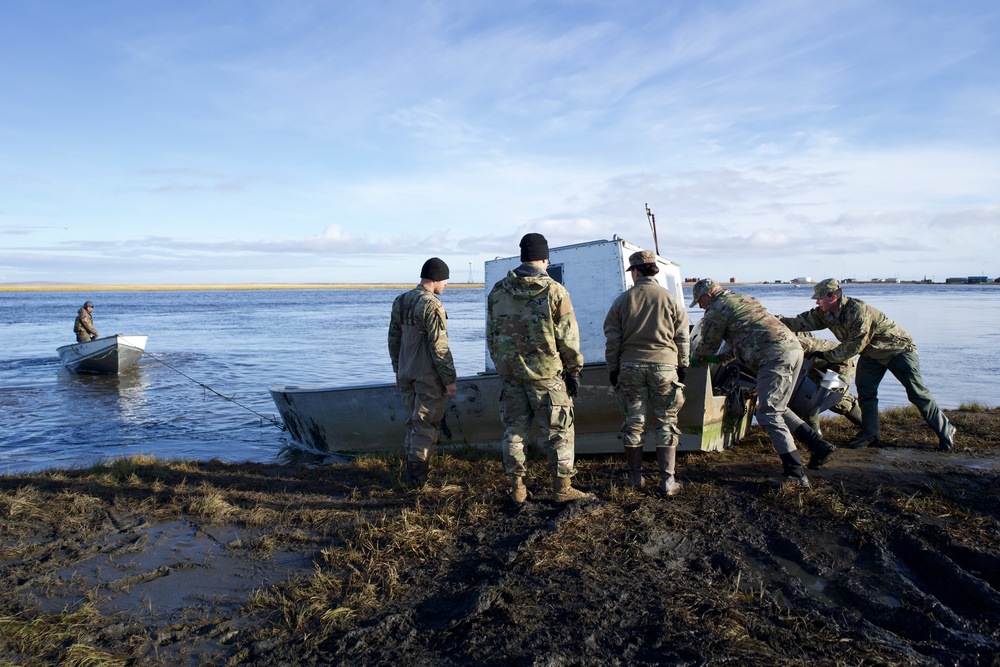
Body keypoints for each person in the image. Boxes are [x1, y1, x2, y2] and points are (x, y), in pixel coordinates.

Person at [689, 279, 835, 487]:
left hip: (773, 357)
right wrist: (721, 360)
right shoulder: (743, 299)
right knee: (778, 407)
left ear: (709, 295)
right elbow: (748, 337)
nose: (701, 306)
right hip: (793, 350)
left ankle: (795, 474)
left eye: (700, 301)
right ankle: (818, 445)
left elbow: (708, 344)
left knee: (767, 413)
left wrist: (697, 357)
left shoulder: (716, 308)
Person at [780, 279, 956, 451]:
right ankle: (871, 435)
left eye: (819, 298)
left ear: (832, 297)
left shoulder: (857, 311)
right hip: (871, 354)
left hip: (897, 350)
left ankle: (945, 429)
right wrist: (771, 320)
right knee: (866, 392)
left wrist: (825, 355)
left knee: (917, 393)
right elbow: (799, 322)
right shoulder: (824, 313)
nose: (817, 302)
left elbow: (854, 346)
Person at [486, 233, 591, 504]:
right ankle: (562, 489)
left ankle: (518, 490)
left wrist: (503, 366)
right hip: (547, 376)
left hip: (511, 375)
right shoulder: (554, 290)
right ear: (545, 258)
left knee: (514, 431)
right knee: (559, 432)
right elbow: (568, 338)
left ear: (522, 257)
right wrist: (574, 371)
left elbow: (491, 336)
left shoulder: (498, 290)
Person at [603, 249, 690, 495]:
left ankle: (635, 479)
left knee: (634, 422)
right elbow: (682, 336)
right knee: (666, 421)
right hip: (665, 366)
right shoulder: (670, 298)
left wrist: (613, 368)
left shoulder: (622, 301)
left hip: (631, 367)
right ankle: (668, 481)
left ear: (637, 271)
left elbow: (612, 339)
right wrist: (683, 365)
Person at [387, 258, 458, 487]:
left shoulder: (401, 301)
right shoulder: (432, 305)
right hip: (426, 374)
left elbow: (393, 340)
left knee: (414, 423)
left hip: (406, 371)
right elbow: (439, 347)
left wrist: (398, 371)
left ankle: (412, 476)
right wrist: (449, 380)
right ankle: (418, 482)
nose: (446, 284)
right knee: (425, 424)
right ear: (435, 278)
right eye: (444, 280)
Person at [794, 333, 863, 434]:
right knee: (802, 397)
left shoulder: (788, 342)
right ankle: (811, 436)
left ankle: (868, 428)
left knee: (832, 399)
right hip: (813, 364)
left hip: (839, 360)